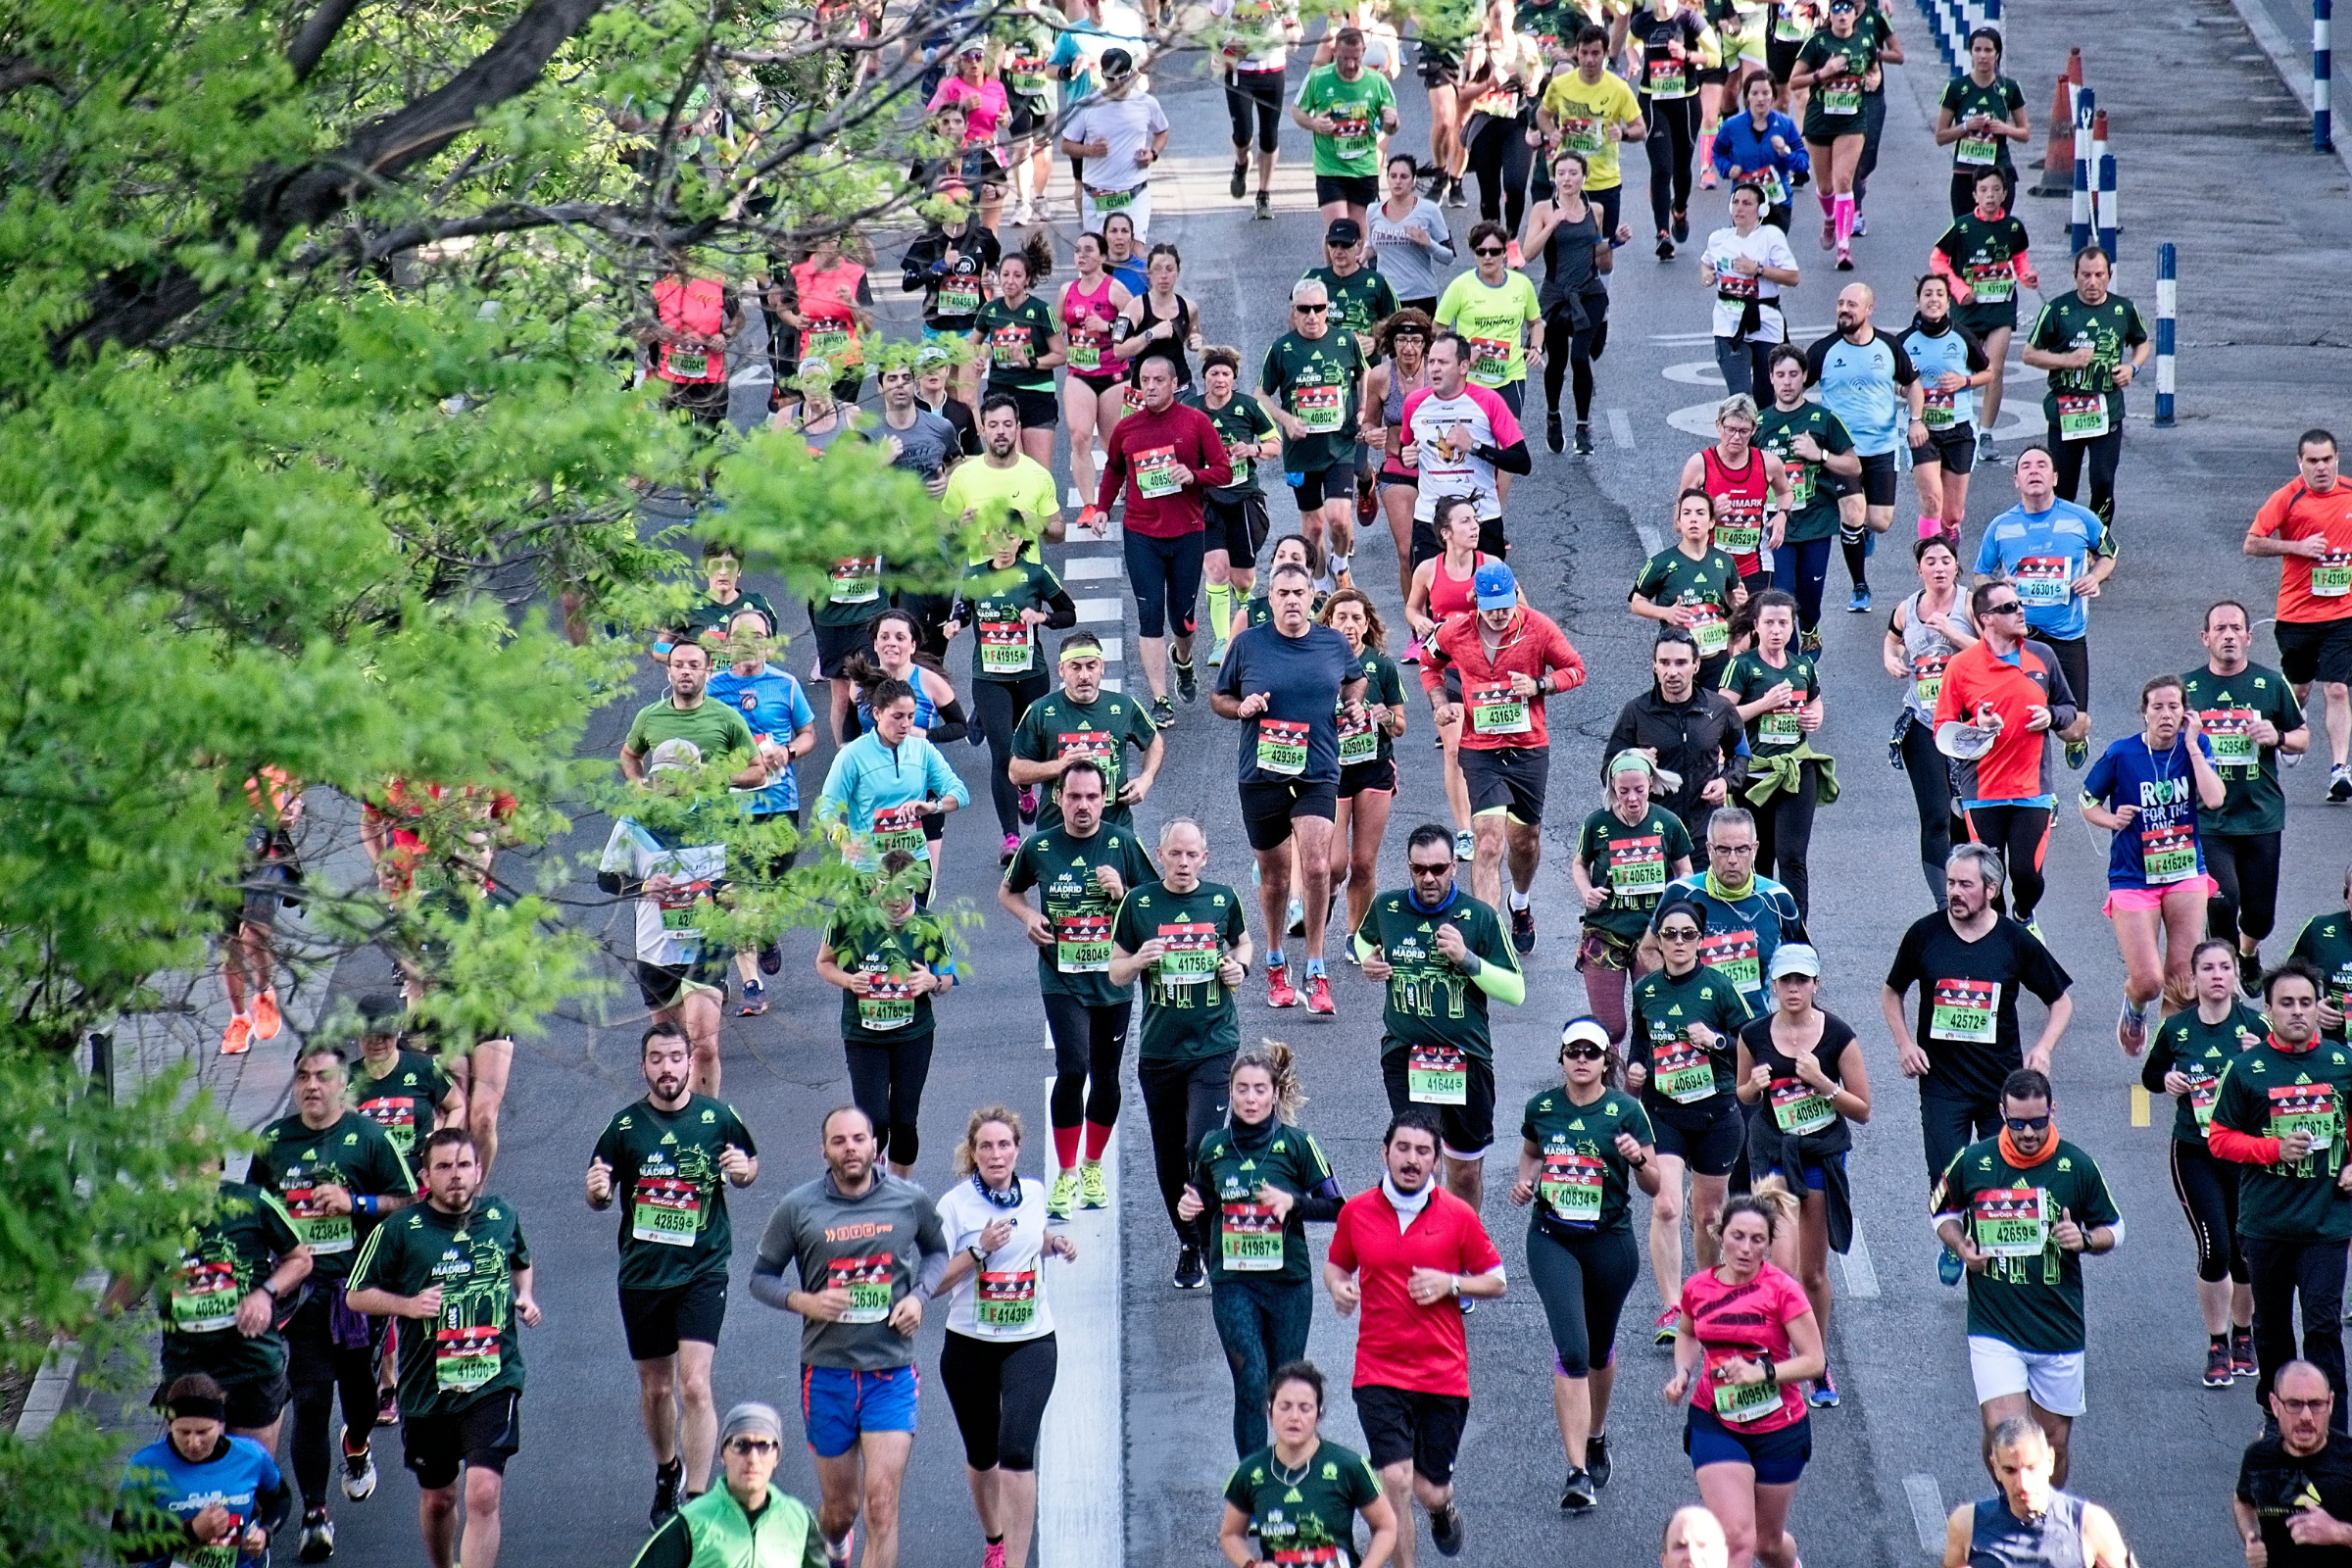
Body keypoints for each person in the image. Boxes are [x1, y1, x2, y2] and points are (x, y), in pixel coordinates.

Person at [750, 1106, 949, 1568]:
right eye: (839, 1141)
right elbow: (761, 1277)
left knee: (882, 1506)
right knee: (843, 1509)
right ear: (824, 1150)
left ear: (875, 1145)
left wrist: (919, 1296)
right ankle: (833, 1544)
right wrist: (803, 1301)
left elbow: (938, 1252)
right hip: (827, 1373)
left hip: (891, 1371)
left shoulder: (908, 1198)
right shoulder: (799, 1207)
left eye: (859, 1139)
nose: (851, 1148)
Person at [587, 1022, 760, 1522]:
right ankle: (667, 1469)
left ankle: (698, 1501)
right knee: (657, 1388)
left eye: (675, 1058)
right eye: (657, 1059)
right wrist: (598, 1191)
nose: (667, 1068)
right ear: (644, 1067)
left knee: (694, 1386)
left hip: (703, 1269)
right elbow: (597, 1190)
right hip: (643, 1275)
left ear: (691, 1063)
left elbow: (749, 1166)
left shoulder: (717, 1116)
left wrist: (745, 1172)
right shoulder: (623, 1128)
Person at [250, 1045, 417, 1561]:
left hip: (357, 1294)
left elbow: (408, 1200)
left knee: (360, 1397)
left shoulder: (368, 1138)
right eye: (303, 1077)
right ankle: (315, 1514)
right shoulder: (275, 1141)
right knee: (312, 1399)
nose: (312, 1086)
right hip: (302, 1297)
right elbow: (252, 1210)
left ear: (343, 1084)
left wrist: (355, 1203)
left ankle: (358, 1444)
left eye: (323, 1077)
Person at [344, 1129, 537, 1568]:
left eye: (464, 1166)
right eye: (444, 1167)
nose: (456, 1176)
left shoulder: (501, 1214)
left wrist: (525, 1296)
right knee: (439, 1499)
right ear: (425, 1175)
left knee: (483, 1493)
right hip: (428, 1388)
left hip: (494, 1376)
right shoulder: (400, 1230)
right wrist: (408, 1305)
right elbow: (356, 1294)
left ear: (479, 1170)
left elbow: (521, 1262)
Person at [1325, 1111, 1505, 1565]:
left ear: (1436, 1161)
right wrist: (1338, 1287)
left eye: (1423, 1151)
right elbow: (1337, 1264)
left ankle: (1443, 1511)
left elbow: (1497, 1280)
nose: (1411, 1159)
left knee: (1428, 1489)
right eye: (1402, 1148)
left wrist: (1452, 1283)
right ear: (1384, 1152)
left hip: (1442, 1373)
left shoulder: (1458, 1216)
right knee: (1396, 1480)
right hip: (1379, 1370)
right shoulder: (1357, 1212)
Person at [1930, 1067, 2121, 1486]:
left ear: (2052, 1110)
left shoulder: (2077, 1165)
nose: (2028, 1133)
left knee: (2053, 1442)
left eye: (2038, 1122)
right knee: (2006, 1436)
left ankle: (2046, 1519)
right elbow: (1943, 1212)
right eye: (2017, 1124)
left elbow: (2115, 1228)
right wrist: (1962, 1247)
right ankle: (2011, 1509)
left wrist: (2085, 1239)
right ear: (2002, 1114)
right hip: (1994, 1325)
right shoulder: (1975, 1161)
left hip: (2058, 1326)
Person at [1513, 1016, 1660, 1511]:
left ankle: (1597, 1434)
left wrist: (1637, 1159)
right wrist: (1525, 1181)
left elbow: (1656, 1186)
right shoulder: (1542, 1108)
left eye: (1591, 1053)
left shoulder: (1626, 1111)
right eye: (1572, 1052)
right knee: (1572, 1350)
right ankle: (1576, 1471)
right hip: (1552, 1239)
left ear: (1605, 1061)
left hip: (1610, 1244)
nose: (1581, 1060)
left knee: (1599, 1349)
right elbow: (1532, 1151)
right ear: (1562, 1058)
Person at [1000, 758, 1155, 1215]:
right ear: (1059, 799)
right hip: (1060, 976)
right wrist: (1029, 916)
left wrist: (1123, 892)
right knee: (1073, 1068)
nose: (1083, 806)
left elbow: (1156, 906)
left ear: (1103, 799)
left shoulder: (1123, 844)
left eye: (1092, 797)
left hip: (1114, 976)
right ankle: (1065, 1174)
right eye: (1074, 797)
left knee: (1106, 1078)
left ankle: (1092, 1166)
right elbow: (1009, 891)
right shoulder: (1041, 847)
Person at [1885, 843, 2075, 1215]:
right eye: (1951, 883)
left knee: (2002, 1183)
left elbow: (2061, 1002)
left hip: (1999, 1085)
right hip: (1943, 1084)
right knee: (1945, 1180)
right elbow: (1892, 992)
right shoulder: (1925, 934)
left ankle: (1994, 1257)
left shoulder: (2014, 941)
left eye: (1966, 885)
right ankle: (1955, 1242)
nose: (1955, 892)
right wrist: (1905, 1044)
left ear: (1991, 890)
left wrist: (2044, 1048)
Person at [1107, 817, 1255, 1288]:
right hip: (1160, 1051)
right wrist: (1137, 961)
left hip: (1213, 1043)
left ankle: (1213, 1239)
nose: (1185, 863)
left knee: (1201, 1144)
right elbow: (1114, 970)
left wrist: (1239, 968)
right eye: (1176, 854)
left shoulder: (1221, 899)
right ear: (1162, 854)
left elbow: (1244, 945)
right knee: (1170, 1158)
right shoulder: (1139, 903)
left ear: (1205, 858)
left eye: (1193, 855)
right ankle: (1189, 1242)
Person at [1212, 559, 1364, 1012]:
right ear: (1271, 600)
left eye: (1300, 593)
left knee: (1318, 865)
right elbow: (1218, 697)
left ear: (1313, 598)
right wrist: (1242, 708)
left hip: (1318, 770)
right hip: (1261, 775)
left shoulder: (1333, 643)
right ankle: (1276, 959)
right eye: (1283, 594)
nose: (1292, 601)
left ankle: (1317, 968)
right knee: (1277, 877)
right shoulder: (1249, 645)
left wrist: (1353, 705)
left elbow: (1355, 681)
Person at [1178, 1045, 1346, 1457]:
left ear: (1275, 1094)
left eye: (1259, 1090)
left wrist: (1295, 1203)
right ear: (1230, 1094)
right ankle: (1253, 1483)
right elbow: (1201, 1195)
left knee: (1286, 1385)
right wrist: (1191, 1205)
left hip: (1287, 1283)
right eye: (1241, 1090)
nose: (1250, 1099)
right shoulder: (1212, 1147)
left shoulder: (1298, 1145)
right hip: (1234, 1282)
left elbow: (1340, 1207)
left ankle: (1295, 1473)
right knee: (1250, 1380)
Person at [1356, 823, 1528, 1210]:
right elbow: (1364, 938)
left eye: (1438, 868)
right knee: (1420, 1159)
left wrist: (1467, 959)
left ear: (1454, 865)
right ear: (1408, 868)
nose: (1429, 878)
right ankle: (1422, 1249)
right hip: (1406, 1054)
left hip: (1466, 1058)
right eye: (1419, 869)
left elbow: (1516, 992)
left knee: (1464, 1171)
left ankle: (1460, 1248)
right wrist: (1369, 959)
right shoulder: (1387, 907)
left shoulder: (1479, 917)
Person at [932, 1107, 1076, 1568]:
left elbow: (1033, 1237)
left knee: (1017, 1449)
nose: (997, 1154)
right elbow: (931, 1283)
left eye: (1005, 1145)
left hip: (1030, 1339)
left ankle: (1014, 1561)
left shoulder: (1033, 1193)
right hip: (969, 1343)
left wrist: (1053, 1243)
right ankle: (995, 1538)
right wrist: (979, 1250)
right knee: (983, 1453)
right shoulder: (954, 1206)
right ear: (972, 1155)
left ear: (1017, 1149)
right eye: (986, 1147)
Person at [2209, 962, 2352, 1424]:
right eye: (2286, 1004)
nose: (2297, 1012)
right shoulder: (2249, 1070)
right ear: (2268, 1011)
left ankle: (2336, 1431)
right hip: (2266, 1224)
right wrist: (2272, 1149)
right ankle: (2278, 1423)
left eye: (2306, 1003)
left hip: (2326, 1223)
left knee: (2323, 1328)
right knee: (2272, 1334)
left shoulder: (2341, 1063)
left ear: (2318, 1008)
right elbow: (2219, 1137)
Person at [1739, 943, 1871, 1411]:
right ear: (1772, 986)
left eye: (1802, 980)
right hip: (1774, 1153)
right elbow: (1744, 1095)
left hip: (1820, 1155)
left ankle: (1816, 1361)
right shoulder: (1753, 1035)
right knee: (1780, 1267)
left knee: (1813, 1274)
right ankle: (1773, 1363)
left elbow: (1863, 1109)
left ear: (1816, 984)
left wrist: (1824, 1084)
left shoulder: (1838, 1036)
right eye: (1785, 981)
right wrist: (1751, 1090)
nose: (1793, 989)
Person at [1421, 559, 1585, 935]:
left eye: (1505, 608)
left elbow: (1576, 669)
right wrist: (1439, 703)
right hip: (1480, 750)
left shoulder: (1538, 628)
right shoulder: (1455, 631)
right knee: (1489, 840)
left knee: (1524, 842)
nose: (1498, 616)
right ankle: (1486, 936)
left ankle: (1520, 903)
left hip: (1528, 747)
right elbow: (1429, 662)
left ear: (1516, 597)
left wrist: (1540, 685)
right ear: (1474, 601)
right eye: (1490, 609)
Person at [1662, 1189, 1824, 1568]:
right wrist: (1683, 1371)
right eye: (1738, 1236)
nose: (1746, 1248)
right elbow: (1687, 1332)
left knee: (1766, 1545)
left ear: (1768, 1245)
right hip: (1716, 1420)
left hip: (1778, 1428)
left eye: (1757, 1240)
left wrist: (1762, 1373)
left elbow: (1815, 1361)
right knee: (1735, 1538)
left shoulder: (1783, 1291)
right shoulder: (1698, 1288)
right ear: (1721, 1235)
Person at [1628, 893, 1755, 1345]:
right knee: (1665, 1204)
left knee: (1706, 1217)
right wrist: (1636, 1069)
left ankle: (1706, 1296)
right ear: (1658, 942)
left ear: (1700, 941)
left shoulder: (1719, 987)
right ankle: (1671, 1306)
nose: (1678, 942)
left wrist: (1717, 1041)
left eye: (1687, 935)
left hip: (1717, 1114)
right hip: (1664, 1114)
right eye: (1669, 935)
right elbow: (1639, 1047)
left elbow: (1752, 1038)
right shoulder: (1645, 991)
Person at [2082, 674, 2227, 1051]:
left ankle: (2171, 1056)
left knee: (2181, 978)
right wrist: (2111, 820)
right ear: (2144, 713)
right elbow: (2086, 801)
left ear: (2185, 713)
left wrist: (2194, 746)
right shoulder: (2121, 754)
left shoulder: (2196, 746)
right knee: (2149, 981)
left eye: (2174, 706)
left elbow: (2213, 799)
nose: (2166, 714)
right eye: (2157, 707)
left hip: (2184, 873)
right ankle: (2134, 1005)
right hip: (2133, 876)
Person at [2144, 938, 2266, 1387]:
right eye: (2208, 969)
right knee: (2215, 1246)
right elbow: (2150, 1076)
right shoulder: (2178, 1031)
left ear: (2236, 977)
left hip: (2246, 1155)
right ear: (2193, 980)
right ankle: (2217, 1342)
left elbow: (2285, 1091)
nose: (2217, 976)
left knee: (2244, 1250)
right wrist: (2169, 1080)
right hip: (2195, 1151)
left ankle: (2243, 1334)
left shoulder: (2257, 1026)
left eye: (2225, 968)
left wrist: (2264, 1056)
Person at [1932, 576, 2082, 928]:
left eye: (2019, 604)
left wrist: (2051, 716)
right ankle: (2000, 943)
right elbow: (1943, 729)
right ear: (1986, 619)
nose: (2020, 612)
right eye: (2009, 607)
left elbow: (2068, 707)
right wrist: (1977, 726)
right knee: (1989, 882)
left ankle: (2024, 916)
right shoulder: (1961, 667)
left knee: (2026, 874)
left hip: (2032, 789)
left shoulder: (2042, 656)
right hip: (1982, 791)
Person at [1099, 351, 1231, 729]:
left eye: (1159, 381)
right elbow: (1113, 470)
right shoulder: (1128, 429)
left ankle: (1184, 661)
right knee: (1149, 614)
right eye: (1145, 381)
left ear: (1175, 384)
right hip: (1141, 533)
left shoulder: (1195, 422)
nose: (1151, 387)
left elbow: (1222, 470)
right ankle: (1160, 699)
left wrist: (1194, 476)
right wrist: (1103, 508)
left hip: (1187, 532)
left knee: (1183, 619)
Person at [144, 1157, 312, 1456]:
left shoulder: (252, 1202)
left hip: (251, 1363)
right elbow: (136, 1275)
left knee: (247, 1479)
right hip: (187, 1369)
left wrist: (265, 1295)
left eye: (203, 1161)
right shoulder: (157, 1216)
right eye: (185, 1160)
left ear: (220, 1164)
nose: (194, 1170)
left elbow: (300, 1260)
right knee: (195, 1478)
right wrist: (98, 1312)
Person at [602, 742, 737, 1091]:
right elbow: (606, 877)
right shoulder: (634, 821)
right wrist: (643, 886)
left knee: (704, 1046)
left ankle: (703, 1128)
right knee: (668, 1052)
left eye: (677, 777)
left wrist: (734, 893)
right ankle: (674, 1119)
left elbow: (742, 870)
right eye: (661, 777)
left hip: (708, 945)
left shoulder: (717, 817)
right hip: (657, 949)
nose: (668, 785)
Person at [706, 609, 818, 1014]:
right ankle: (751, 984)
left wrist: (786, 752)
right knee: (735, 897)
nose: (749, 644)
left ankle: (767, 933)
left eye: (757, 636)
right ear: (728, 642)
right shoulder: (712, 688)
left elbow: (809, 735)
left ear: (769, 642)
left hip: (778, 806)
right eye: (741, 636)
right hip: (729, 810)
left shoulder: (785, 686)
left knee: (765, 896)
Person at [817, 853, 957, 1177]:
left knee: (905, 1121)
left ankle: (900, 1193)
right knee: (874, 1119)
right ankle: (870, 1185)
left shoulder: (930, 924)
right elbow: (824, 963)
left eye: (905, 893)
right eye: (888, 892)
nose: (896, 902)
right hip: (864, 1035)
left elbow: (948, 978)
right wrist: (849, 980)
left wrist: (932, 981)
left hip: (913, 1034)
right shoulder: (847, 919)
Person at [943, 527, 1077, 861]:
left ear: (1021, 541)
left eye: (1011, 537)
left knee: (1031, 749)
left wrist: (1042, 617)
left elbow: (1069, 613)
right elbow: (965, 607)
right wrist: (956, 624)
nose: (1004, 545)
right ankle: (1011, 838)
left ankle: (1027, 787)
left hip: (1031, 675)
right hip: (989, 677)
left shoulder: (1036, 574)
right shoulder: (975, 575)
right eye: (996, 538)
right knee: (1002, 752)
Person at [1973, 451, 2112, 770]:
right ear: (2016, 481)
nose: (2034, 472)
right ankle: (2039, 792)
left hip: (2066, 636)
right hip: (2017, 639)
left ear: (2055, 478)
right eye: (2026, 466)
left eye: (2042, 466)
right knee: (2020, 720)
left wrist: (2094, 577)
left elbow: (2109, 554)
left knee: (2074, 726)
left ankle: (2072, 734)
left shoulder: (2081, 519)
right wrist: (1997, 583)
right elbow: (1980, 574)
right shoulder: (2001, 527)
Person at [2245, 429, 2352, 804]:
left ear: (2337, 459)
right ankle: (2289, 731)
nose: (2321, 467)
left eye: (2327, 460)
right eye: (2313, 461)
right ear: (2300, 463)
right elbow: (2252, 542)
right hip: (2298, 614)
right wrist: (2298, 547)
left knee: (2337, 687)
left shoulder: (2350, 493)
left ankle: (2340, 769)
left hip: (2343, 613)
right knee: (2300, 689)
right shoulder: (2288, 498)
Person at [2021, 246, 2150, 534]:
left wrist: (2132, 368)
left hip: (2107, 409)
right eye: (2086, 275)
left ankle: (2098, 541)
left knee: (2103, 480)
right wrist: (2067, 360)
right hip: (2066, 410)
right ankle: (2063, 540)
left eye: (2099, 275)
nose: (2092, 282)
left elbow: (2142, 342)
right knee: (2063, 484)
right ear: (2075, 275)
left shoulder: (2123, 309)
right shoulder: (2057, 309)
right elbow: (2029, 354)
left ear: (2109, 276)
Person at [1804, 282, 1917, 612]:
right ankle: (1860, 586)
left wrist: (1917, 420)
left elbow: (1912, 385)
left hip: (1881, 446)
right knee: (1852, 512)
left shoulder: (1889, 345)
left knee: (1879, 521)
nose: (1844, 309)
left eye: (1852, 304)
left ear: (1869, 309)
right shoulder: (1823, 350)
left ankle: (1862, 531)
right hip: (1842, 450)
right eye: (1840, 303)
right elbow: (1797, 386)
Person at [1219, 1360, 1397, 1568]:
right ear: (1269, 1411)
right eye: (1284, 1407)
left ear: (1319, 1414)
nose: (1294, 1417)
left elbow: (1386, 1526)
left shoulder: (1349, 1466)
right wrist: (1252, 1565)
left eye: (1305, 1409)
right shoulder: (1250, 1472)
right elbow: (1230, 1534)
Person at [1720, 589, 1830, 918]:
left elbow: (1815, 702)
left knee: (1793, 855)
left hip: (1795, 771)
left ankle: (1796, 931)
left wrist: (1816, 716)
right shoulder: (1742, 666)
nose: (1777, 630)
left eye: (1784, 623)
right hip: (1753, 775)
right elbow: (1722, 716)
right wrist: (1763, 704)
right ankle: (1761, 924)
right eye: (1769, 623)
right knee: (1760, 856)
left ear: (1793, 626)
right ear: (1756, 626)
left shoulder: (1802, 667)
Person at [1575, 752, 1696, 1046]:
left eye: (1639, 790)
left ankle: (1646, 1084)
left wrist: (1674, 897)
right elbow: (1579, 863)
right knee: (1611, 1029)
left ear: (1651, 785)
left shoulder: (1667, 822)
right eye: (1623, 791)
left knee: (1654, 1023)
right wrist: (1587, 891)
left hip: (1653, 936)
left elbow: (1686, 871)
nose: (1632, 799)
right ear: (1612, 789)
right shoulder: (1597, 824)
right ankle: (1605, 1083)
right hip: (1606, 932)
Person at [116, 1375, 295, 1568]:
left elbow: (280, 1499)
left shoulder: (251, 1456)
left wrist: (264, 1532)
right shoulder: (145, 1465)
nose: (193, 1443)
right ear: (169, 1426)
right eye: (183, 1432)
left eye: (203, 1432)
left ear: (221, 1425)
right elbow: (122, 1548)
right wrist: (190, 1533)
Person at [1885, 536, 1978, 904]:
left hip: (1970, 727)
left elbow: (1996, 651)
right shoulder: (1907, 608)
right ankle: (1945, 902)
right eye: (1930, 561)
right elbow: (1892, 639)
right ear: (1919, 569)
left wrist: (1953, 634)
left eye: (1945, 560)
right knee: (1936, 815)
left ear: (1956, 566)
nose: (1938, 567)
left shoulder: (1970, 605)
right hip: (1923, 722)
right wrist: (1891, 658)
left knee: (1967, 817)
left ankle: (1974, 892)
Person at [1259, 278, 1373, 578]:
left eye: (1318, 308)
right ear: (1294, 311)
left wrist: (1362, 409)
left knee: (1337, 518)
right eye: (1304, 309)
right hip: (1302, 451)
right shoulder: (1282, 349)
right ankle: (1320, 584)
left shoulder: (1345, 341)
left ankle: (1340, 562)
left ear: (1327, 310)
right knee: (1313, 525)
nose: (1312, 315)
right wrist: (1286, 420)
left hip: (1340, 445)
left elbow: (1365, 374)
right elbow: (1260, 395)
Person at [1646, 807, 1806, 1018]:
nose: (1732, 859)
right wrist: (1677, 992)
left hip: (1753, 1028)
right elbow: (1648, 950)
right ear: (1709, 849)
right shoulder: (1682, 893)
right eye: (1723, 850)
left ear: (1755, 849)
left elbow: (1804, 963)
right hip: (1695, 1025)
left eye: (1741, 849)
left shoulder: (1777, 899)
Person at [813, 677, 970, 892]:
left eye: (911, 716)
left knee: (917, 925)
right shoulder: (852, 755)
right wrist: (843, 841)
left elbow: (960, 793)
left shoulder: (922, 750)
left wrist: (932, 807)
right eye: (897, 716)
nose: (905, 724)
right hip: (868, 869)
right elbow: (827, 807)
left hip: (913, 866)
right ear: (877, 713)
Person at [626, 1402, 827, 1568]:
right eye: (741, 1445)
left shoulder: (799, 1519)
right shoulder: (693, 1521)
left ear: (777, 1457)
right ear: (723, 1454)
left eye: (764, 1446)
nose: (753, 1458)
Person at [1007, 632, 1164, 834]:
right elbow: (1015, 771)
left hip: (1115, 830)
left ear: (1102, 668)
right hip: (1056, 833)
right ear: (1061, 670)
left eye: (1091, 666)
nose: (1084, 676)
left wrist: (1146, 778)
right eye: (1075, 667)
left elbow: (1154, 740)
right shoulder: (1041, 711)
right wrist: (1059, 766)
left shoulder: (1124, 706)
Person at [1604, 628, 1749, 846]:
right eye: (1664, 662)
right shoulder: (1636, 711)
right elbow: (1608, 769)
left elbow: (1741, 754)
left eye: (1681, 663)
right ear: (1654, 665)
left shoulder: (1719, 708)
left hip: (1704, 831)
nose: (1672, 672)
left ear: (1696, 665)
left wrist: (1726, 782)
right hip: (1652, 831)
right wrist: (1632, 759)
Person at [1931, 166, 2035, 464]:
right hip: (1966, 309)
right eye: (1984, 191)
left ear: (2004, 194)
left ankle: (1986, 433)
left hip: (2000, 308)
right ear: (1974, 195)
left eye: (1996, 190)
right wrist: (1959, 288)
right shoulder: (1962, 227)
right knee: (1959, 369)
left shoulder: (2013, 227)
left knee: (1995, 368)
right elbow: (1937, 260)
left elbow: (2019, 258)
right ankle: (1951, 427)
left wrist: (2026, 275)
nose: (1990, 196)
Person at [1754, 346, 1859, 643]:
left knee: (1810, 597)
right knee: (1783, 594)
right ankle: (1790, 660)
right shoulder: (1759, 424)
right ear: (1771, 379)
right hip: (1778, 525)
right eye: (1780, 375)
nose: (1787, 382)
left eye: (1793, 375)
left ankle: (1810, 627)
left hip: (1815, 522)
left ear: (1804, 378)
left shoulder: (1823, 419)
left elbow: (1853, 467)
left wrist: (1820, 454)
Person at [1401, 332, 1531, 564]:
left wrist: (1474, 446)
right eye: (1431, 362)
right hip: (1431, 519)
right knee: (1433, 597)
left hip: (1480, 518)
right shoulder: (1414, 403)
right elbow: (1407, 450)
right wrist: (1406, 457)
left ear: (1463, 366)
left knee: (1486, 597)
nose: (1434, 369)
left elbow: (1522, 462)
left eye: (1443, 362)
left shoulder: (1489, 401)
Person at [1323, 590, 1409, 937]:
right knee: (1334, 864)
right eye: (1341, 616)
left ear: (1367, 623)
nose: (1349, 625)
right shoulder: (1318, 663)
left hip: (1374, 769)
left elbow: (1400, 726)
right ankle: (1326, 893)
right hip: (1331, 771)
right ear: (1328, 621)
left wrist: (1383, 714)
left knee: (1362, 862)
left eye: (1357, 618)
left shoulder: (1382, 666)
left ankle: (1355, 935)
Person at [1522, 148, 1618, 456]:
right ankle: (1553, 415)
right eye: (1561, 173)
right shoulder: (1542, 209)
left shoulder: (1596, 210)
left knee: (1580, 358)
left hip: (1589, 293)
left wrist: (1615, 244)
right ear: (1554, 177)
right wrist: (1553, 224)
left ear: (1583, 177)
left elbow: (1598, 254)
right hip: (1555, 295)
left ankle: (1583, 426)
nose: (1567, 178)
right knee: (1557, 362)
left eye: (1573, 173)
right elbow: (1527, 254)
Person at [1191, 346, 1283, 662]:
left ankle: (1244, 618)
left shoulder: (1249, 407)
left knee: (1243, 578)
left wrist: (1252, 450)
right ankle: (1221, 641)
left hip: (1243, 497)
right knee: (1216, 568)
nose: (1220, 379)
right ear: (1204, 378)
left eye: (1226, 373)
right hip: (1206, 499)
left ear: (1234, 377)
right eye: (1214, 373)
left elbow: (1275, 445)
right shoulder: (1190, 409)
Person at [1942, 1416, 2135, 1568]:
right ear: (1996, 1468)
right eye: (2010, 1470)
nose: (2023, 1484)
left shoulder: (2090, 1524)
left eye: (2031, 1467)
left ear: (2050, 1461)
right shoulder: (1967, 1524)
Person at [1536, 24, 1646, 247]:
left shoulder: (1618, 88)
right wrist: (1551, 133)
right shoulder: (1560, 85)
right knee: (1568, 247)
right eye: (1584, 52)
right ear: (1576, 51)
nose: (1589, 59)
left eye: (1595, 53)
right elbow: (1542, 115)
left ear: (1605, 54)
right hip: (1569, 181)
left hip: (1605, 181)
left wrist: (1623, 134)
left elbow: (1640, 129)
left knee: (1603, 250)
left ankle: (1601, 282)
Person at [1900, 274, 1991, 545]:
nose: (1934, 299)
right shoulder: (1904, 341)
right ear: (1918, 301)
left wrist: (1963, 381)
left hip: (1959, 429)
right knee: (1931, 501)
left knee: (1950, 513)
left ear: (1949, 301)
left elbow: (1988, 372)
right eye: (1927, 294)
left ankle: (1949, 529)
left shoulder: (1963, 336)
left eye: (1940, 294)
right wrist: (1906, 389)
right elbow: (1892, 380)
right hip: (1921, 430)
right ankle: (1929, 556)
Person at [2235, 1360, 2352, 1567]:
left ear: (2331, 1403)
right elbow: (2242, 1501)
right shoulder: (2257, 1458)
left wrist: (2339, 1533)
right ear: (2275, 1404)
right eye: (2294, 1404)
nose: (2306, 1416)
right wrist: (2251, 1537)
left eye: (2316, 1404)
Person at [1679, 394, 1792, 602]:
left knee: (1753, 628)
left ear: (1754, 430)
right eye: (1730, 429)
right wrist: (1709, 511)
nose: (1736, 437)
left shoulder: (1769, 464)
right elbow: (1678, 523)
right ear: (1718, 426)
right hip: (1709, 561)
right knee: (1714, 628)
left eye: (1743, 431)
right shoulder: (1700, 464)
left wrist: (1783, 515)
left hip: (1755, 563)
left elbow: (1785, 492)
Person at [220, 769, 301, 1056]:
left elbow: (296, 776)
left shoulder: (269, 742)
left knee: (253, 933)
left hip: (266, 848)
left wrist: (293, 802)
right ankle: (238, 1019)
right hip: (220, 852)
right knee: (230, 945)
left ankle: (264, 993)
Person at [1786, 0, 1870, 268]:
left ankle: (1844, 247)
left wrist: (1875, 79)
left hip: (1852, 122)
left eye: (1847, 10)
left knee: (1843, 180)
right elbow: (1794, 81)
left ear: (1855, 14)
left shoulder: (1865, 43)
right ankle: (1830, 219)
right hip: (1820, 120)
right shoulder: (1817, 44)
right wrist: (1823, 74)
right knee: (1825, 186)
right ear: (1829, 15)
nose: (1843, 15)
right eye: (1837, 10)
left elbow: (1874, 71)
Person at [1434, 220, 1544, 421]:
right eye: (1481, 251)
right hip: (1470, 377)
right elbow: (1438, 328)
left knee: (1507, 440)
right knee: (1471, 439)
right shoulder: (1460, 286)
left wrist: (1536, 347)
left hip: (1511, 374)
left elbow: (1535, 322)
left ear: (1504, 253)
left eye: (1494, 251)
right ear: (1474, 253)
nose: (1487, 257)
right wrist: (1463, 353)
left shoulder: (1522, 285)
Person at [1628, 0, 1714, 258]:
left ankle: (1680, 211)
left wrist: (1686, 55)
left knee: (1681, 167)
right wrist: (1633, 60)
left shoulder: (1690, 20)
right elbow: (1630, 45)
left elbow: (1714, 56)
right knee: (1662, 167)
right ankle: (1662, 234)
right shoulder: (1642, 22)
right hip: (1653, 101)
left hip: (1685, 101)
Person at [1699, 183, 1800, 402]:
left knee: (1767, 396)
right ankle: (1742, 434)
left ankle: (1764, 435)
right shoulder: (1718, 238)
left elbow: (1793, 277)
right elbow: (1706, 262)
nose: (1740, 209)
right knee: (1740, 395)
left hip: (1766, 320)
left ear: (1760, 210)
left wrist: (1759, 270)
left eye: (1747, 203)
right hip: (1729, 322)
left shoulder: (1771, 237)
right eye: (1736, 202)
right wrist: (1707, 275)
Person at [1057, 233, 1134, 521]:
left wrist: (1108, 325)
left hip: (1113, 374)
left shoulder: (1114, 289)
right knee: (1079, 436)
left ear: (1102, 256)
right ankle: (1090, 505)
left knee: (1112, 441)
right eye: (1078, 250)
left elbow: (1135, 323)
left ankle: (1124, 487)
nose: (1082, 255)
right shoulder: (1067, 290)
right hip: (1079, 374)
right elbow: (1059, 324)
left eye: (1089, 250)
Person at [1634, 492, 1746, 688]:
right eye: (1687, 513)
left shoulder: (1725, 561)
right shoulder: (1661, 563)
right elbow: (1636, 603)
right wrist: (1666, 612)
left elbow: (1733, 603)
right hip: (1678, 662)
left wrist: (1738, 602)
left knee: (1716, 716)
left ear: (1711, 522)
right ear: (1679, 522)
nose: (1693, 519)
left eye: (1700, 513)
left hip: (1716, 659)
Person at [1456, 0, 1546, 240]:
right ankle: (1493, 241)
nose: (1501, 21)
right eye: (1496, 16)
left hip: (1517, 123)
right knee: (1490, 192)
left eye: (1506, 15)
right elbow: (1462, 93)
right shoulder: (1478, 49)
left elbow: (1537, 68)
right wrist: (1488, 85)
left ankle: (1513, 238)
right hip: (1486, 125)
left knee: (1515, 186)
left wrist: (1534, 82)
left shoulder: (1524, 43)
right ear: (1489, 17)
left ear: (1513, 14)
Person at [971, 240, 1065, 470]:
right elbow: (972, 344)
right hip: (1000, 393)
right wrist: (980, 355)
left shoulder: (1042, 311)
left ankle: (1039, 507)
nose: (1009, 281)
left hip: (1037, 395)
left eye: (1016, 275)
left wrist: (1030, 361)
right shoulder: (990, 310)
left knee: (1038, 472)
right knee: (1010, 468)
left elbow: (1061, 355)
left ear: (1027, 280)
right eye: (1005, 274)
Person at [1295, 26, 1400, 227]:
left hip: (1364, 169)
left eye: (1356, 58)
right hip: (1330, 168)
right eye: (1344, 59)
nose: (1351, 65)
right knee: (1339, 231)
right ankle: (1330, 260)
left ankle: (1347, 259)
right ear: (1335, 53)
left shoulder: (1377, 82)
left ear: (1363, 51)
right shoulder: (1318, 79)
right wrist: (1314, 123)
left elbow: (1392, 128)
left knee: (1359, 236)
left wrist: (1391, 123)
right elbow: (1297, 111)